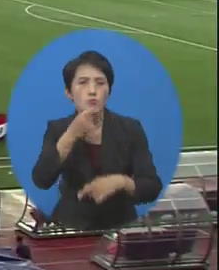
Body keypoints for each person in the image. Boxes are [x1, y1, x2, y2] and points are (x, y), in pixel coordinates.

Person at [31, 50, 162, 231]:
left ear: (109, 90)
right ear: (69, 92)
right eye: (83, 83)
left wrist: (120, 182)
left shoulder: (130, 128)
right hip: (71, 225)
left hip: (120, 225)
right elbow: (41, 179)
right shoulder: (58, 129)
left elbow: (152, 186)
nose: (92, 91)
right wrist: (71, 134)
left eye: (100, 83)